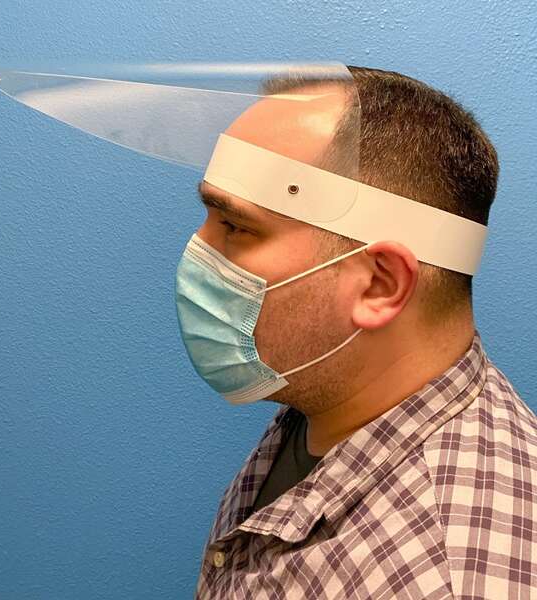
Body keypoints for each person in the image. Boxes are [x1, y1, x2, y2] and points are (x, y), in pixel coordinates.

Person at [181, 66, 537, 599]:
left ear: (379, 284)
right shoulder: (331, 395)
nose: (197, 251)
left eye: (235, 227)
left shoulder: (446, 576)